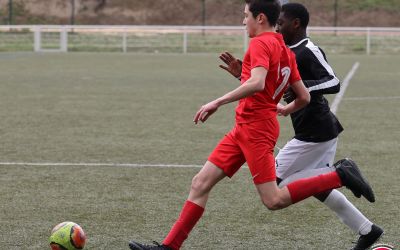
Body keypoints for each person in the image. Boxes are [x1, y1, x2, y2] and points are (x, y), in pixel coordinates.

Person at [129, 1, 374, 249]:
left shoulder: (260, 42)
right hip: (246, 126)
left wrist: (217, 101)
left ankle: (339, 175)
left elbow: (257, 84)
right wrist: (280, 107)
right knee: (200, 183)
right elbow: (303, 96)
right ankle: (169, 247)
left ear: (259, 18)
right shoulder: (284, 49)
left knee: (273, 199)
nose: (242, 21)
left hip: (256, 130)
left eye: (245, 16)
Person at [218, 3, 383, 250]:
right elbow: (268, 85)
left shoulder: (308, 49)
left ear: (296, 24)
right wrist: (244, 76)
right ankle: (368, 230)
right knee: (318, 188)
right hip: (314, 130)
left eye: (281, 23)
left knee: (278, 183)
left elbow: (333, 81)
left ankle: (341, 173)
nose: (277, 27)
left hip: (316, 131)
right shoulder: (281, 48)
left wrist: (300, 88)